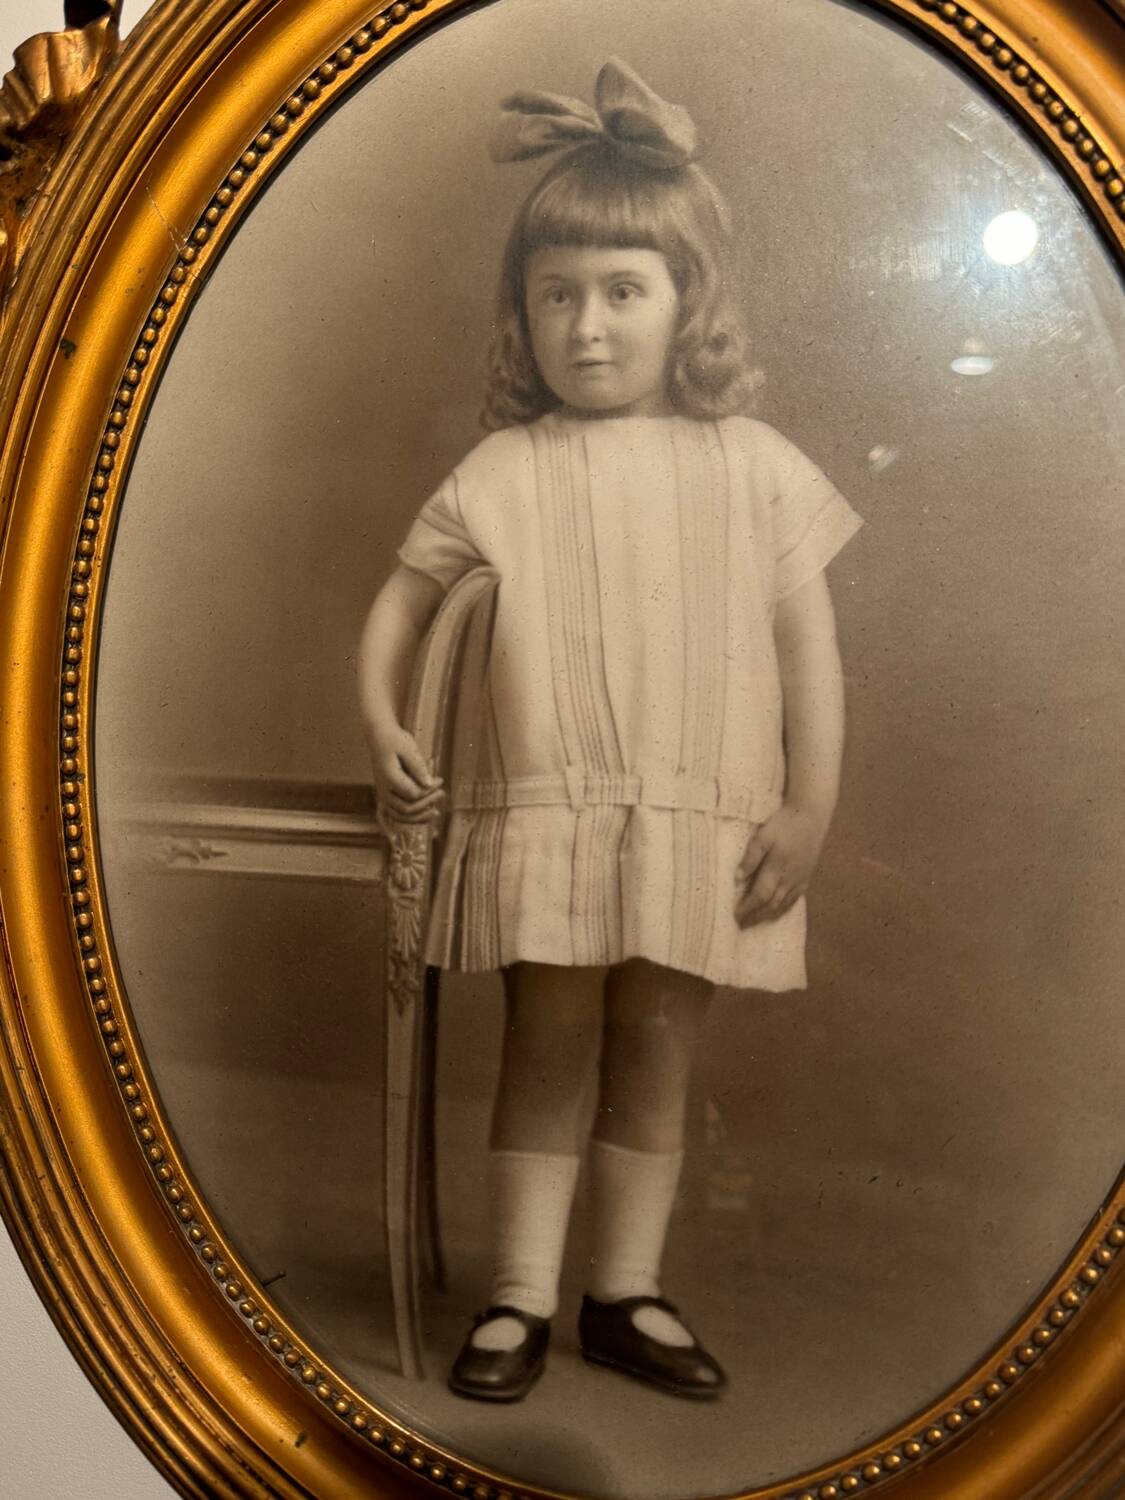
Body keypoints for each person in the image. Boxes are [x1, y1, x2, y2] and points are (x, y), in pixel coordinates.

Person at [357, 57, 862, 1404]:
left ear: (689, 302)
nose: (585, 328)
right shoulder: (503, 472)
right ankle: (519, 1298)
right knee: (544, 1041)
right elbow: (399, 606)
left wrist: (808, 807)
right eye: (556, 295)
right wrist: (380, 717)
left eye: (622, 292)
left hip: (698, 817)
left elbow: (808, 651)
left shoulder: (753, 467)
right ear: (522, 313)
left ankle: (623, 1293)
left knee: (656, 1047)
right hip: (553, 814)